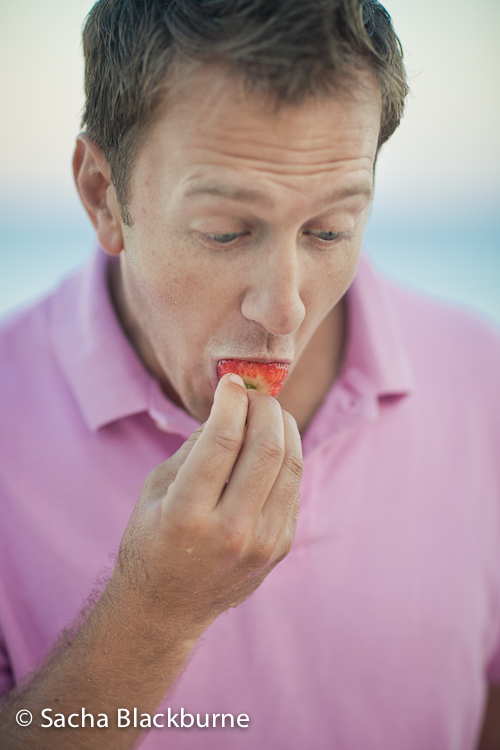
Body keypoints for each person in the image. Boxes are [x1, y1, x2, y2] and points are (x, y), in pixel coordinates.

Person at [0, 0, 499, 747]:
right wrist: (154, 615)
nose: (284, 308)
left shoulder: (484, 382)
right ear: (104, 194)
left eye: (329, 230)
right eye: (226, 232)